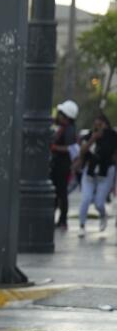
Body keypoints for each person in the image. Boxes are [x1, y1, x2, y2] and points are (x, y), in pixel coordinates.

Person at [75, 113, 117, 237]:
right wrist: (93, 138)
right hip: (90, 172)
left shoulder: (112, 136)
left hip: (105, 172)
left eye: (100, 125)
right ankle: (82, 226)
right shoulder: (89, 136)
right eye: (95, 125)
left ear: (105, 125)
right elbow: (82, 151)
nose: (98, 127)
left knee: (99, 202)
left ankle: (103, 216)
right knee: (86, 199)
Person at [50, 100, 79, 232]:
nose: (58, 116)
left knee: (61, 192)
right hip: (57, 164)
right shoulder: (63, 128)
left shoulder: (69, 130)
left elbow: (71, 148)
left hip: (63, 165)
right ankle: (56, 218)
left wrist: (55, 147)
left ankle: (62, 219)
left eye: (61, 114)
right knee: (56, 193)